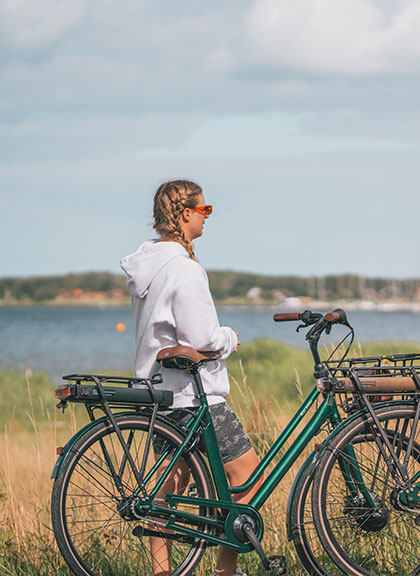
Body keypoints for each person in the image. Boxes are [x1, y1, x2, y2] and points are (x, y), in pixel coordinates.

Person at [121, 179, 260, 576]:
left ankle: (163, 571)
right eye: (205, 210)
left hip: (158, 396)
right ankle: (225, 572)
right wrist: (230, 338)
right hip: (195, 397)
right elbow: (201, 338)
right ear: (186, 214)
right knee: (247, 480)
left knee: (166, 493)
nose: (206, 218)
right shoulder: (184, 269)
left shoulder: (148, 268)